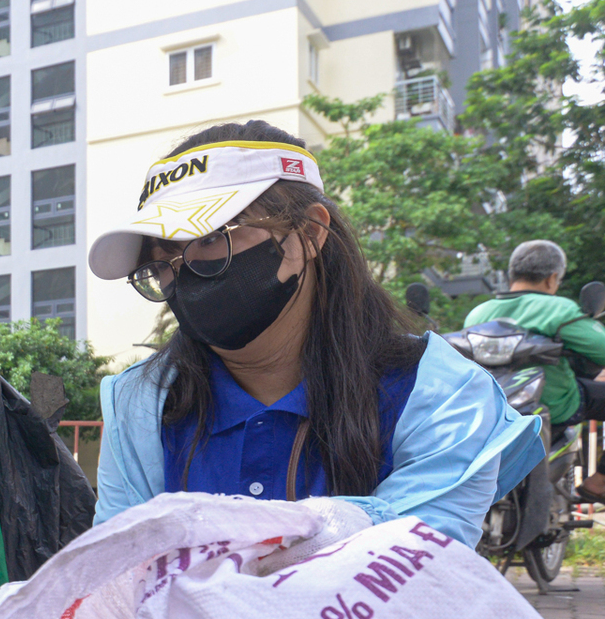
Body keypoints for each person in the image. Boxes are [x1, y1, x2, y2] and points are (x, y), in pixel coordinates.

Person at [91, 121, 541, 551]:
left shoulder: (441, 397)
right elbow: (117, 580)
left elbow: (409, 572)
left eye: (209, 240)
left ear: (308, 234)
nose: (182, 276)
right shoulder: (142, 405)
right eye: (161, 262)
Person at [462, 240, 605, 498]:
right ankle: (600, 481)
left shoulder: (478, 313)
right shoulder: (559, 310)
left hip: (492, 408)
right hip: (555, 406)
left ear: (511, 275)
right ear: (552, 279)